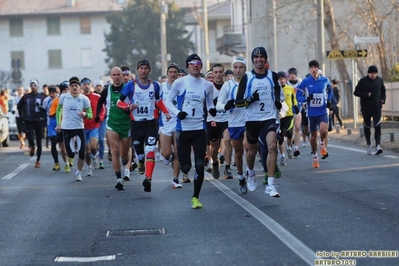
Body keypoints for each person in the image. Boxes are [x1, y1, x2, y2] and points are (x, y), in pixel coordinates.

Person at [165, 54, 216, 209]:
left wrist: (213, 110)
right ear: (188, 66)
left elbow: (209, 104)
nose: (195, 66)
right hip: (183, 129)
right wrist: (177, 113)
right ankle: (180, 161)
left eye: (198, 63)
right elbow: (168, 101)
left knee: (199, 164)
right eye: (192, 64)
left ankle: (196, 197)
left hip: (199, 128)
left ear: (201, 66)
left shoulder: (207, 85)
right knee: (186, 166)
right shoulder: (180, 83)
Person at [235, 47, 284, 198]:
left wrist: (277, 101)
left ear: (265, 59)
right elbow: (238, 102)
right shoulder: (247, 77)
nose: (259, 59)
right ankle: (250, 172)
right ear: (253, 60)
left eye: (262, 57)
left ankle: (271, 184)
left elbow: (279, 94)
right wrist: (250, 100)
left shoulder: (273, 76)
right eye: (256, 57)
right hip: (252, 119)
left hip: (268, 118)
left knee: (272, 147)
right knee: (251, 151)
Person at [117, 59, 171, 193]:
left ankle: (148, 178)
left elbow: (158, 101)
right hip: (136, 124)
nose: (143, 71)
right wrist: (128, 106)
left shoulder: (155, 85)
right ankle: (140, 161)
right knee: (140, 154)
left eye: (146, 68)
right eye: (141, 68)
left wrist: (166, 112)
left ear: (149, 70)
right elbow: (119, 102)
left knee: (150, 149)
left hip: (151, 123)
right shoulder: (131, 85)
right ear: (137, 70)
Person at [96, 67, 132, 190]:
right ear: (111, 76)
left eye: (118, 75)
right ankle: (118, 178)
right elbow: (100, 102)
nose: (116, 77)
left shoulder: (128, 88)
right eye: (114, 75)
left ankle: (126, 160)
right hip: (112, 124)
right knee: (115, 151)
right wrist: (97, 115)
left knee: (124, 155)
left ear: (122, 75)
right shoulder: (107, 90)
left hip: (126, 124)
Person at [216, 56, 248, 193]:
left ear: (245, 68)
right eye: (235, 67)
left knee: (249, 147)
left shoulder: (250, 82)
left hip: (249, 121)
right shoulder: (227, 85)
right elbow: (218, 104)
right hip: (234, 123)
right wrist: (225, 106)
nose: (238, 70)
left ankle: (250, 172)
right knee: (239, 153)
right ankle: (241, 176)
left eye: (241, 67)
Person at [296, 60, 332, 168]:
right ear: (309, 69)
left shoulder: (325, 80)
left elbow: (330, 90)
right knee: (313, 136)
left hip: (322, 111)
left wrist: (329, 100)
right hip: (311, 112)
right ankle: (315, 156)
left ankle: (322, 143)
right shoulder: (305, 81)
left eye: (315, 67)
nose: (313, 69)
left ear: (318, 69)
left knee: (323, 130)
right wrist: (306, 99)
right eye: (311, 67)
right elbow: (298, 95)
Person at [56, 77, 92, 181]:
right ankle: (72, 153)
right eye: (72, 86)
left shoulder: (84, 99)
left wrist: (85, 113)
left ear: (79, 87)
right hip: (67, 127)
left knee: (82, 152)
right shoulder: (63, 97)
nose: (74, 88)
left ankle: (78, 173)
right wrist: (59, 123)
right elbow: (58, 110)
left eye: (76, 86)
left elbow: (91, 114)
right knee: (71, 153)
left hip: (79, 127)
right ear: (69, 87)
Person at [158, 62, 184, 188]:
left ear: (178, 74)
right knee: (166, 153)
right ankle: (167, 157)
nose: (173, 74)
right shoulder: (161, 87)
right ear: (167, 73)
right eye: (171, 72)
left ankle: (175, 179)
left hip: (178, 123)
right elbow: (156, 103)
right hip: (165, 123)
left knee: (178, 152)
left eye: (175, 72)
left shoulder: (182, 86)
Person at [207, 63, 233, 180]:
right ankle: (215, 164)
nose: (218, 74)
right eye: (215, 72)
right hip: (213, 120)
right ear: (212, 74)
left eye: (220, 72)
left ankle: (227, 168)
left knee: (227, 140)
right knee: (214, 147)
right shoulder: (208, 87)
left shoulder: (228, 86)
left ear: (223, 73)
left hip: (227, 118)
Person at [354, 65, 386, 155]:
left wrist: (383, 99)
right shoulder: (363, 81)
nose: (373, 75)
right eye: (372, 73)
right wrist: (365, 94)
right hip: (366, 108)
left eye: (375, 73)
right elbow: (355, 92)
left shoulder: (380, 81)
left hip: (377, 108)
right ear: (368, 73)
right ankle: (368, 144)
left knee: (377, 126)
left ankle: (378, 146)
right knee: (367, 127)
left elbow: (383, 91)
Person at [17, 79, 47, 168]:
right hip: (29, 121)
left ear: (37, 86)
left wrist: (44, 118)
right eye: (31, 85)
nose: (33, 87)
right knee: (30, 137)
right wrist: (23, 118)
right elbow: (19, 106)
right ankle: (32, 146)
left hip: (38, 121)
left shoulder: (42, 96)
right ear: (30, 87)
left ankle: (38, 160)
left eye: (35, 85)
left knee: (39, 142)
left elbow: (45, 109)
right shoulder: (26, 97)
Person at [81, 77, 104, 176]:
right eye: (84, 84)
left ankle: (94, 156)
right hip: (82, 126)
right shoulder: (79, 97)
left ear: (91, 85)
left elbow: (102, 109)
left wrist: (100, 118)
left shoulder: (97, 96)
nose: (86, 86)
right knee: (86, 149)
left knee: (94, 147)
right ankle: (89, 167)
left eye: (88, 84)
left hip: (94, 125)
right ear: (81, 86)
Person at [276, 71, 298, 165]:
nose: (281, 80)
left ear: (286, 79)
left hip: (289, 115)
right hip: (279, 115)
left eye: (283, 78)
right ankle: (282, 155)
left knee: (289, 134)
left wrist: (296, 106)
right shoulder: (275, 89)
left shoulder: (290, 88)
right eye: (280, 79)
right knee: (280, 137)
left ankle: (289, 147)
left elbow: (294, 99)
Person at [48, 81, 69, 172]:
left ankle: (67, 162)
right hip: (53, 125)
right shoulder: (52, 101)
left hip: (65, 125)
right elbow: (50, 114)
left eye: (67, 89)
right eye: (64, 90)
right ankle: (56, 163)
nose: (66, 91)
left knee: (63, 146)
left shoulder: (71, 99)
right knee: (53, 142)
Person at [93, 79, 106, 169]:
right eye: (97, 86)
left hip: (103, 120)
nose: (98, 87)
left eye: (100, 86)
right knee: (93, 142)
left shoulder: (106, 94)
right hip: (93, 121)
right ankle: (93, 156)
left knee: (101, 139)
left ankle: (101, 160)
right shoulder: (92, 96)